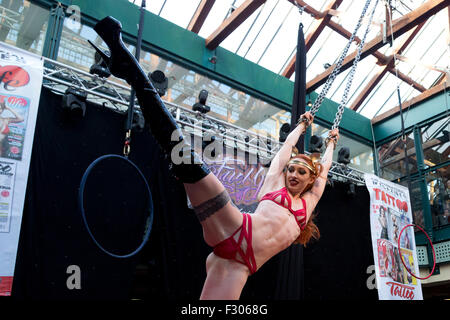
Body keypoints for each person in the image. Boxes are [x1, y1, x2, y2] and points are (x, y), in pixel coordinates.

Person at [90, 16, 340, 300]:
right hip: (236, 227)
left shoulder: (307, 204)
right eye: (292, 170)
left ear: (310, 179)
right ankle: (129, 68)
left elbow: (325, 171)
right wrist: (300, 128)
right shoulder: (274, 184)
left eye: (301, 173)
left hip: (240, 264)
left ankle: (128, 68)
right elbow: (283, 156)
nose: (293, 174)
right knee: (184, 158)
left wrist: (331, 143)